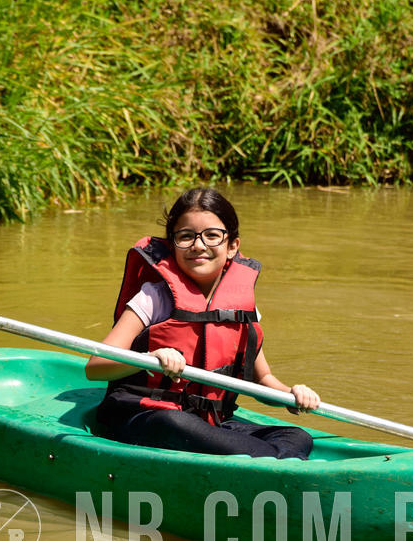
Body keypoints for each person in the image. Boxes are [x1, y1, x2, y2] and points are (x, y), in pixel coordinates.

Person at [86, 188, 321, 459]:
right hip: (147, 418)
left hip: (208, 424)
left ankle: (272, 458)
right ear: (172, 245)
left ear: (232, 246)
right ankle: (277, 461)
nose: (198, 245)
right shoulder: (153, 297)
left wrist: (291, 394)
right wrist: (150, 358)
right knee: (175, 422)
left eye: (212, 235)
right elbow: (96, 367)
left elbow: (262, 379)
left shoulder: (243, 309)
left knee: (296, 435)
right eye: (186, 236)